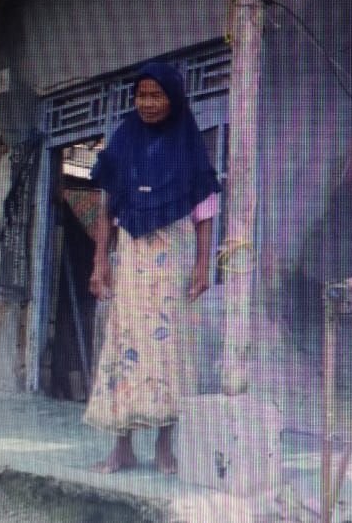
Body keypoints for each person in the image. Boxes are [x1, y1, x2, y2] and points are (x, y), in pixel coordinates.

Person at [83, 60, 220, 475]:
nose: (147, 103)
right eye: (141, 95)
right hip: (131, 256)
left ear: (173, 97)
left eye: (156, 95)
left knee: (169, 347)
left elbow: (205, 209)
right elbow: (107, 207)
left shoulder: (188, 143)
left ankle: (165, 446)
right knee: (124, 343)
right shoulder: (125, 139)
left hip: (174, 256)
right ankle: (122, 446)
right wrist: (99, 263)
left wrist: (203, 264)